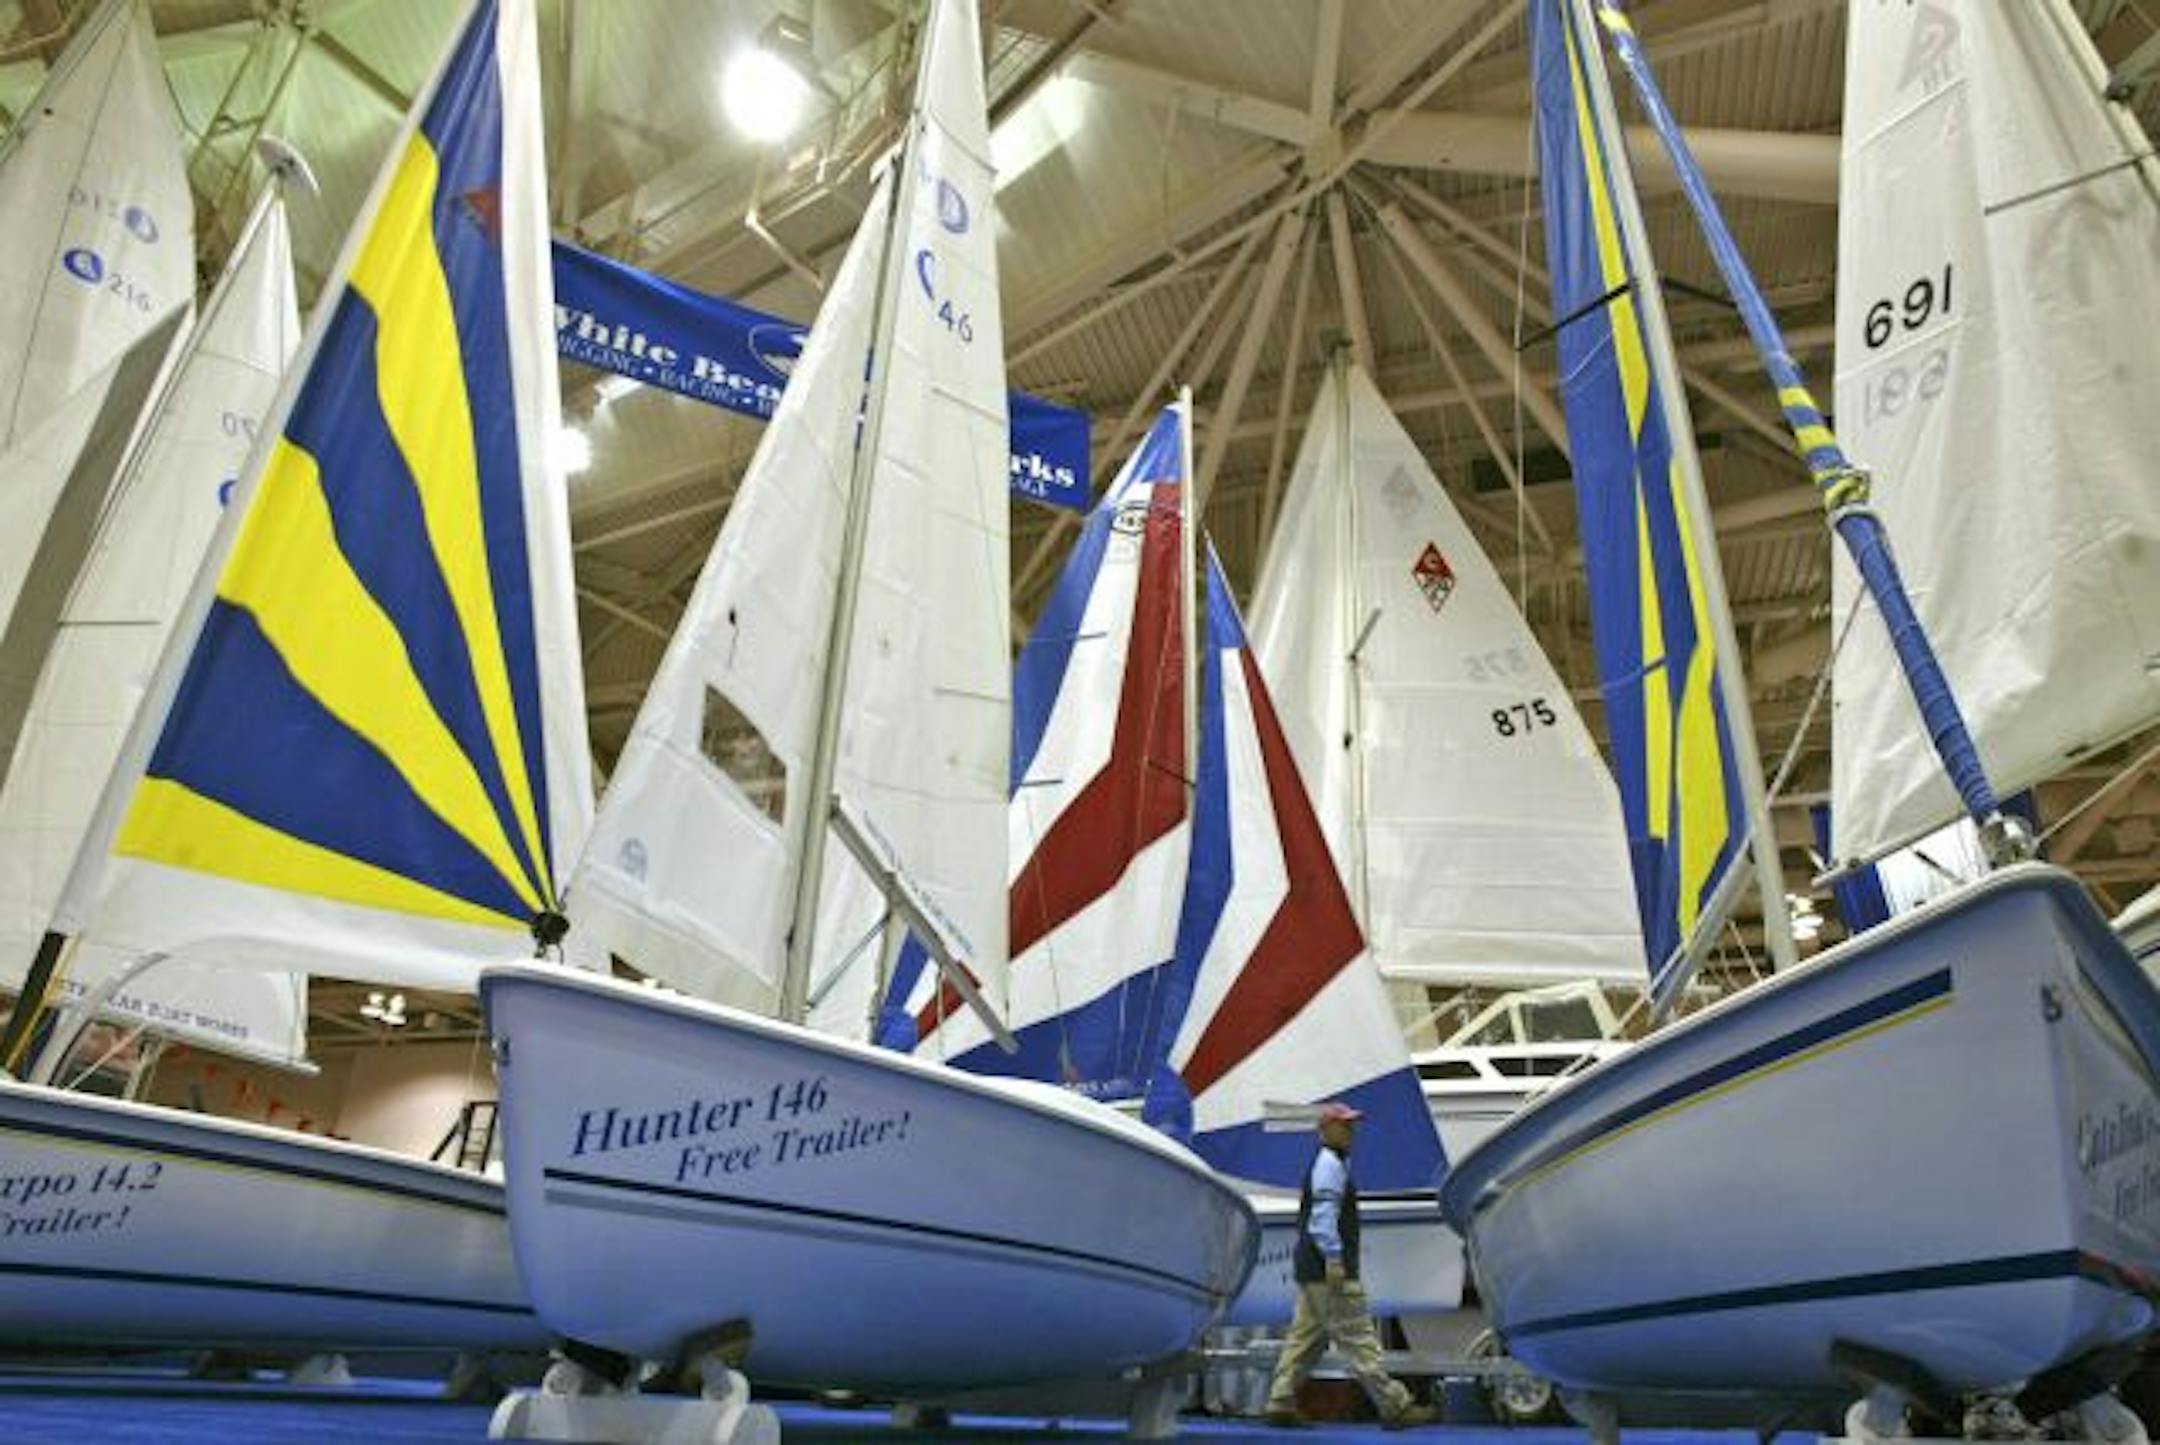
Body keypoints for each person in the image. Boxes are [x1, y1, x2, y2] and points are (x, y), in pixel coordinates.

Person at [1263, 1101, 1438, 1431]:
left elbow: (1317, 1218)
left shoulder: (1329, 1163)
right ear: (1325, 1130)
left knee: (1305, 1339)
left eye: (1351, 1125)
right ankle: (1395, 1406)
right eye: (1344, 1125)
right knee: (1359, 1338)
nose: (1351, 1131)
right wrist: (1334, 1259)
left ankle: (1280, 1401)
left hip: (1311, 1270)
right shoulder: (1331, 1166)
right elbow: (1322, 1220)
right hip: (1327, 1270)